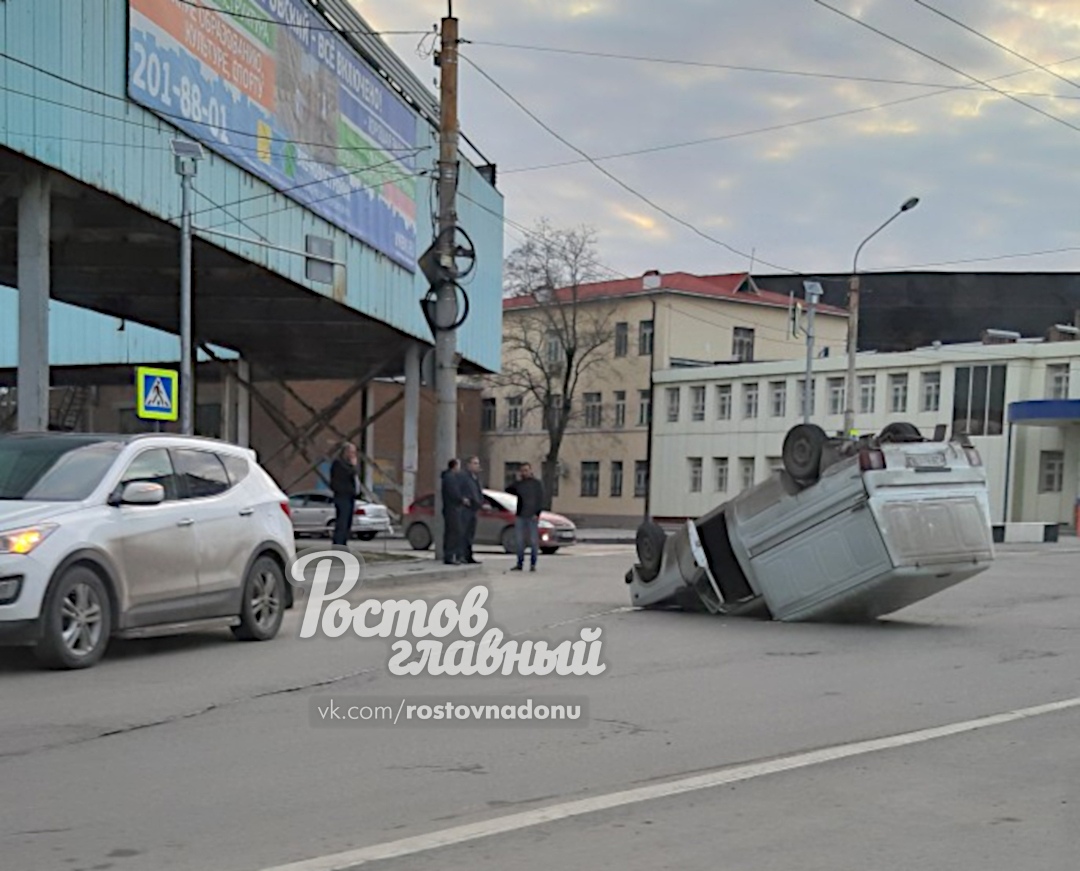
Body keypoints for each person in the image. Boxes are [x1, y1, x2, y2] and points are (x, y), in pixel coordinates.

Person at [506, 462, 545, 572]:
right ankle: (519, 563)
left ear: (531, 471)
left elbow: (541, 499)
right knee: (519, 541)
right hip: (521, 516)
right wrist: (517, 480)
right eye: (522, 471)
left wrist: (537, 513)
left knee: (533, 542)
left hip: (532, 517)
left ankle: (533, 564)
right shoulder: (520, 484)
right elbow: (508, 489)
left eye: (526, 470)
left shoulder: (537, 484)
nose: (524, 472)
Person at [329, 443, 359, 546]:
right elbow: (348, 474)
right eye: (351, 452)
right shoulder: (339, 464)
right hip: (342, 497)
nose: (353, 455)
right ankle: (338, 546)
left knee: (347, 524)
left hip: (350, 497)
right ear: (346, 452)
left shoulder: (348, 465)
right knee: (342, 523)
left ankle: (343, 545)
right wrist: (353, 466)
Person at [458, 456, 484, 565]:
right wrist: (463, 498)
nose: (477, 465)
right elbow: (457, 490)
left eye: (477, 463)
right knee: (463, 534)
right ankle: (461, 556)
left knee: (470, 535)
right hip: (465, 510)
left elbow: (478, 492)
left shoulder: (475, 478)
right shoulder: (463, 477)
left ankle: (469, 556)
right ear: (468, 465)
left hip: (474, 509)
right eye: (474, 463)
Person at [440, 458, 463, 565]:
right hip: (452, 509)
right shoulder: (450, 478)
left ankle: (450, 555)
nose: (459, 468)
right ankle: (449, 556)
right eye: (458, 466)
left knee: (452, 532)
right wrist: (462, 499)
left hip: (451, 508)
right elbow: (453, 494)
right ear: (454, 466)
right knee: (453, 532)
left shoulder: (449, 477)